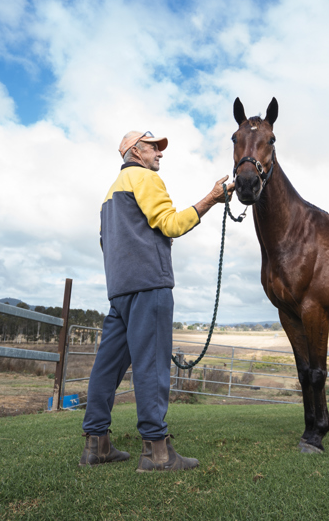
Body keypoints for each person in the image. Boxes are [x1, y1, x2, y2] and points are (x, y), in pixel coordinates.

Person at [79, 130, 234, 472]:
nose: (159, 153)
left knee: (106, 368)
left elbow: (106, 243)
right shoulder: (145, 179)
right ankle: (157, 453)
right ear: (136, 152)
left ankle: (96, 445)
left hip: (119, 291)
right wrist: (212, 198)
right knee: (151, 365)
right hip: (149, 285)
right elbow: (171, 224)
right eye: (153, 147)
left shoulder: (110, 194)